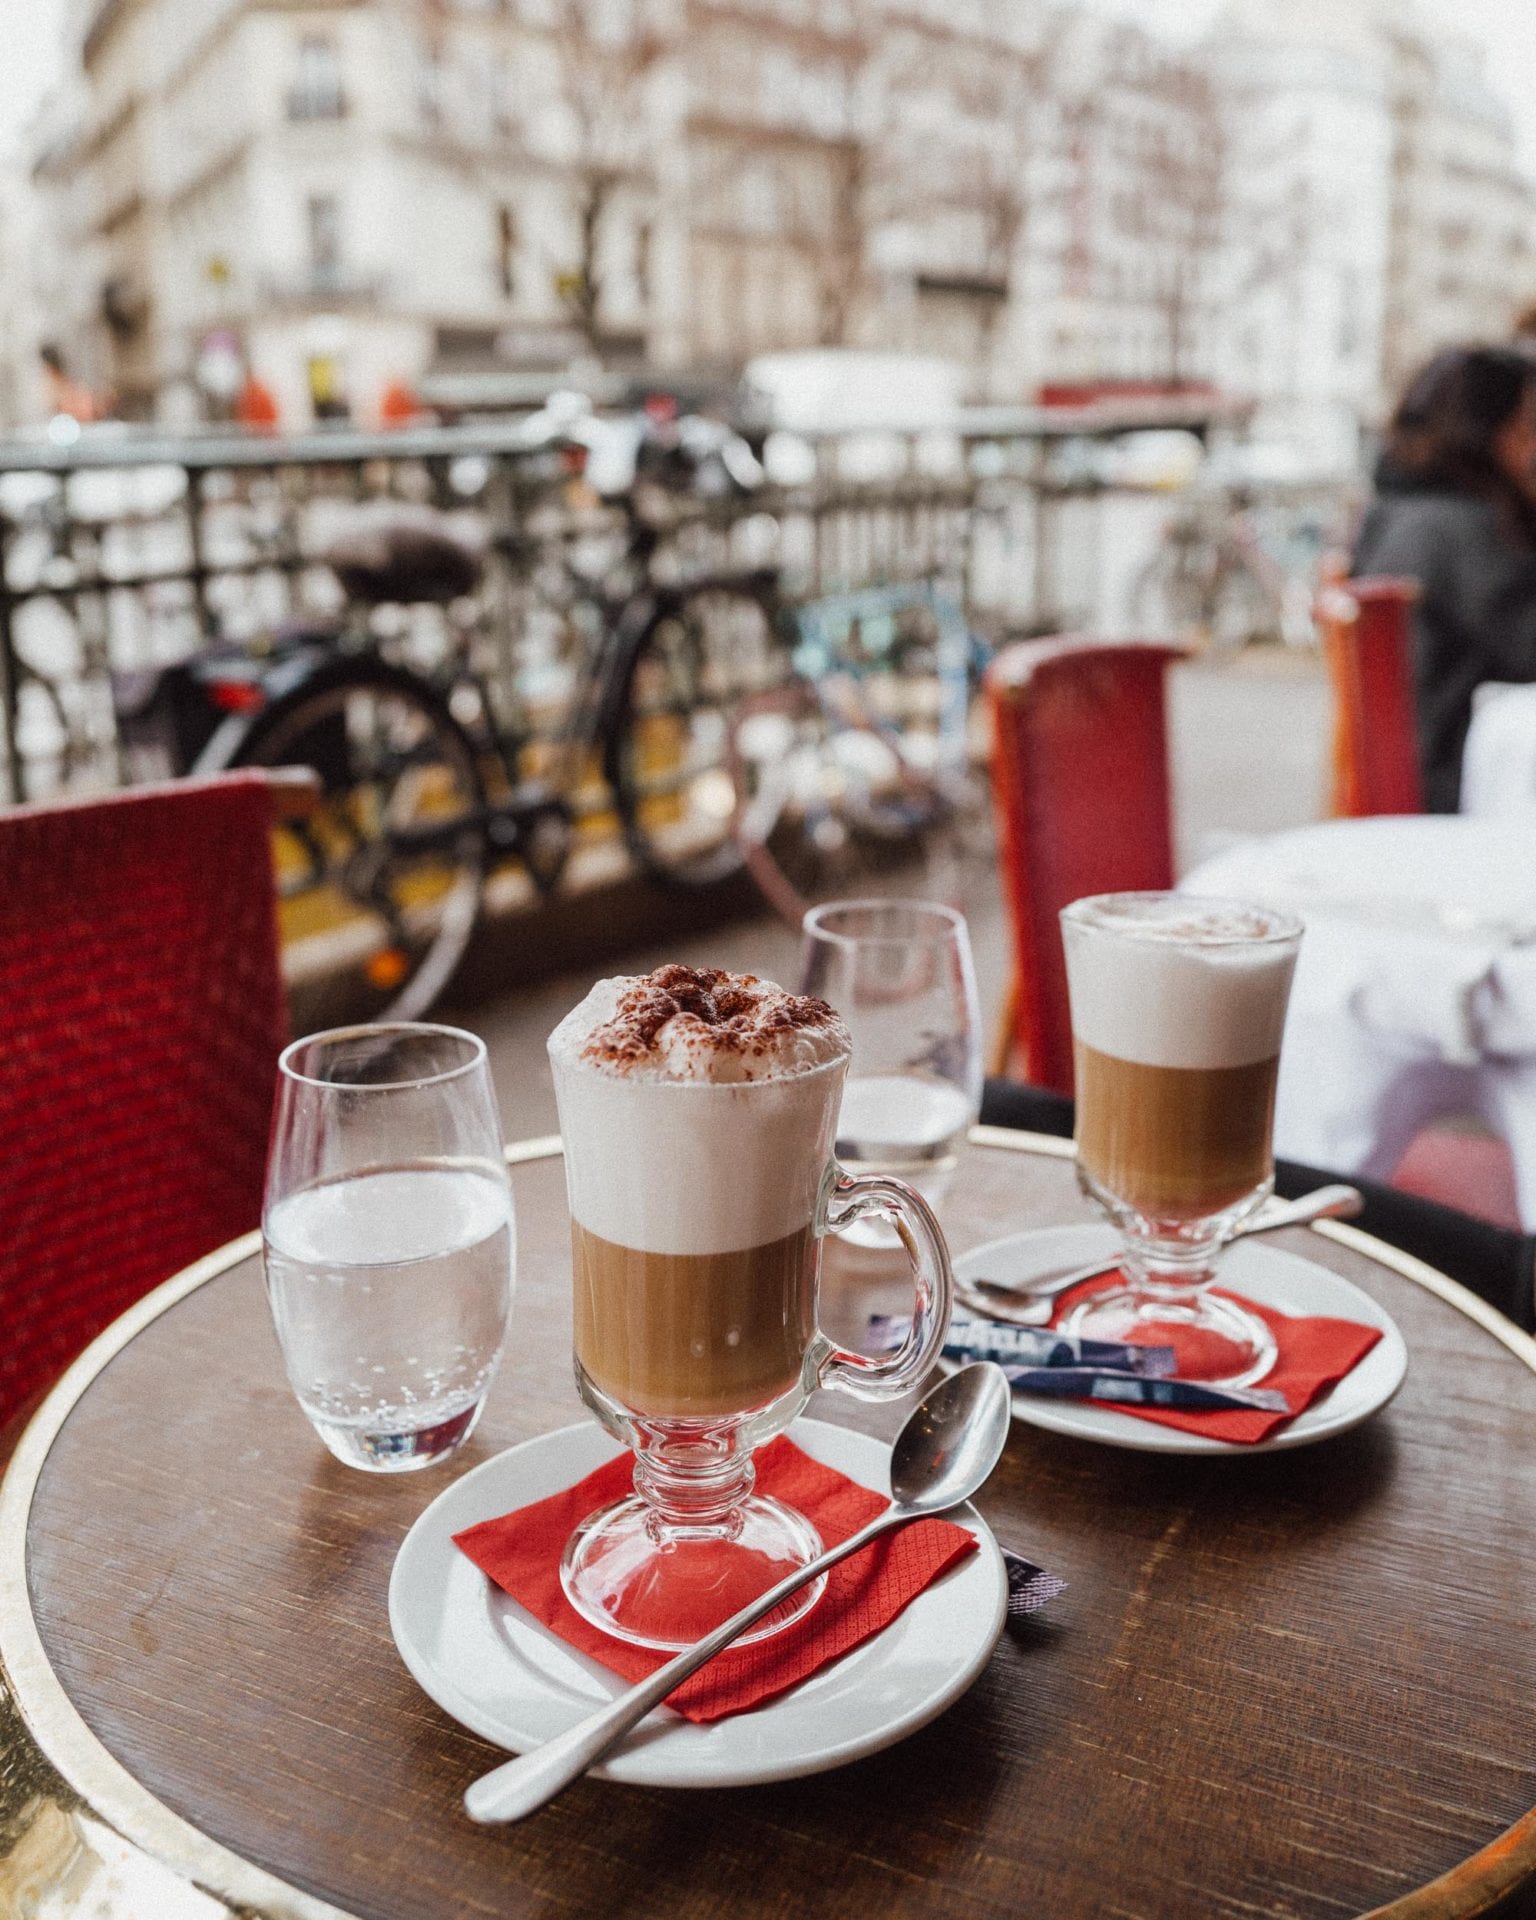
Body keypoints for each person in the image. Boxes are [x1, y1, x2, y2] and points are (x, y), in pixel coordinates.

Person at [1352, 345, 1536, 811]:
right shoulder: (1460, 532)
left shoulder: (1395, 513)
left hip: (1412, 776)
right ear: (1492, 433)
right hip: (1455, 791)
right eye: (1529, 424)